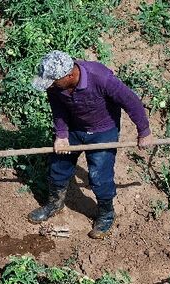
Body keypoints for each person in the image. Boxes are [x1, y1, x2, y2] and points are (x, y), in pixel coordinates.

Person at [28, 50, 154, 238]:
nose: (50, 86)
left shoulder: (100, 77)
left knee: (99, 176)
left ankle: (106, 214)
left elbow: (131, 101)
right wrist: (61, 134)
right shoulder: (56, 87)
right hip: (74, 129)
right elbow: (58, 108)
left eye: (53, 82)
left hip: (103, 131)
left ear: (69, 75)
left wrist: (144, 131)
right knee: (58, 166)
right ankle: (55, 203)